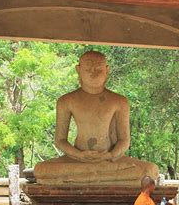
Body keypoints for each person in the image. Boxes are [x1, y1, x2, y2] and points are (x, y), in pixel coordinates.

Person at [34, 51, 159, 184]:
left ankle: (77, 179)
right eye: (88, 69)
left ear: (107, 70)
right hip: (77, 160)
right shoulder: (66, 101)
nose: (94, 74)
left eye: (99, 69)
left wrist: (110, 155)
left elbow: (124, 140)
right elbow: (60, 140)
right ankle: (100, 176)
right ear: (78, 70)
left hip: (110, 160)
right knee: (41, 170)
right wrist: (80, 155)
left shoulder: (119, 101)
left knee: (150, 169)